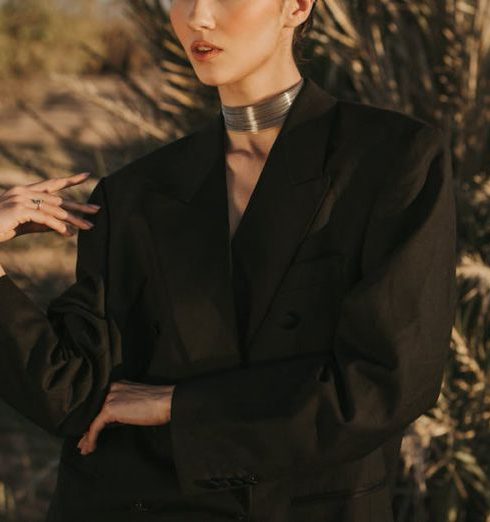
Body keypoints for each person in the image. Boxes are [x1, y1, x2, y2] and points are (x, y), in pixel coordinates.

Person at [0, 0, 457, 521]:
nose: (198, 17)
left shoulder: (393, 160)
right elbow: (73, 395)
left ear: (298, 7)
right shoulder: (137, 192)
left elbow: (385, 382)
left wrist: (177, 405)